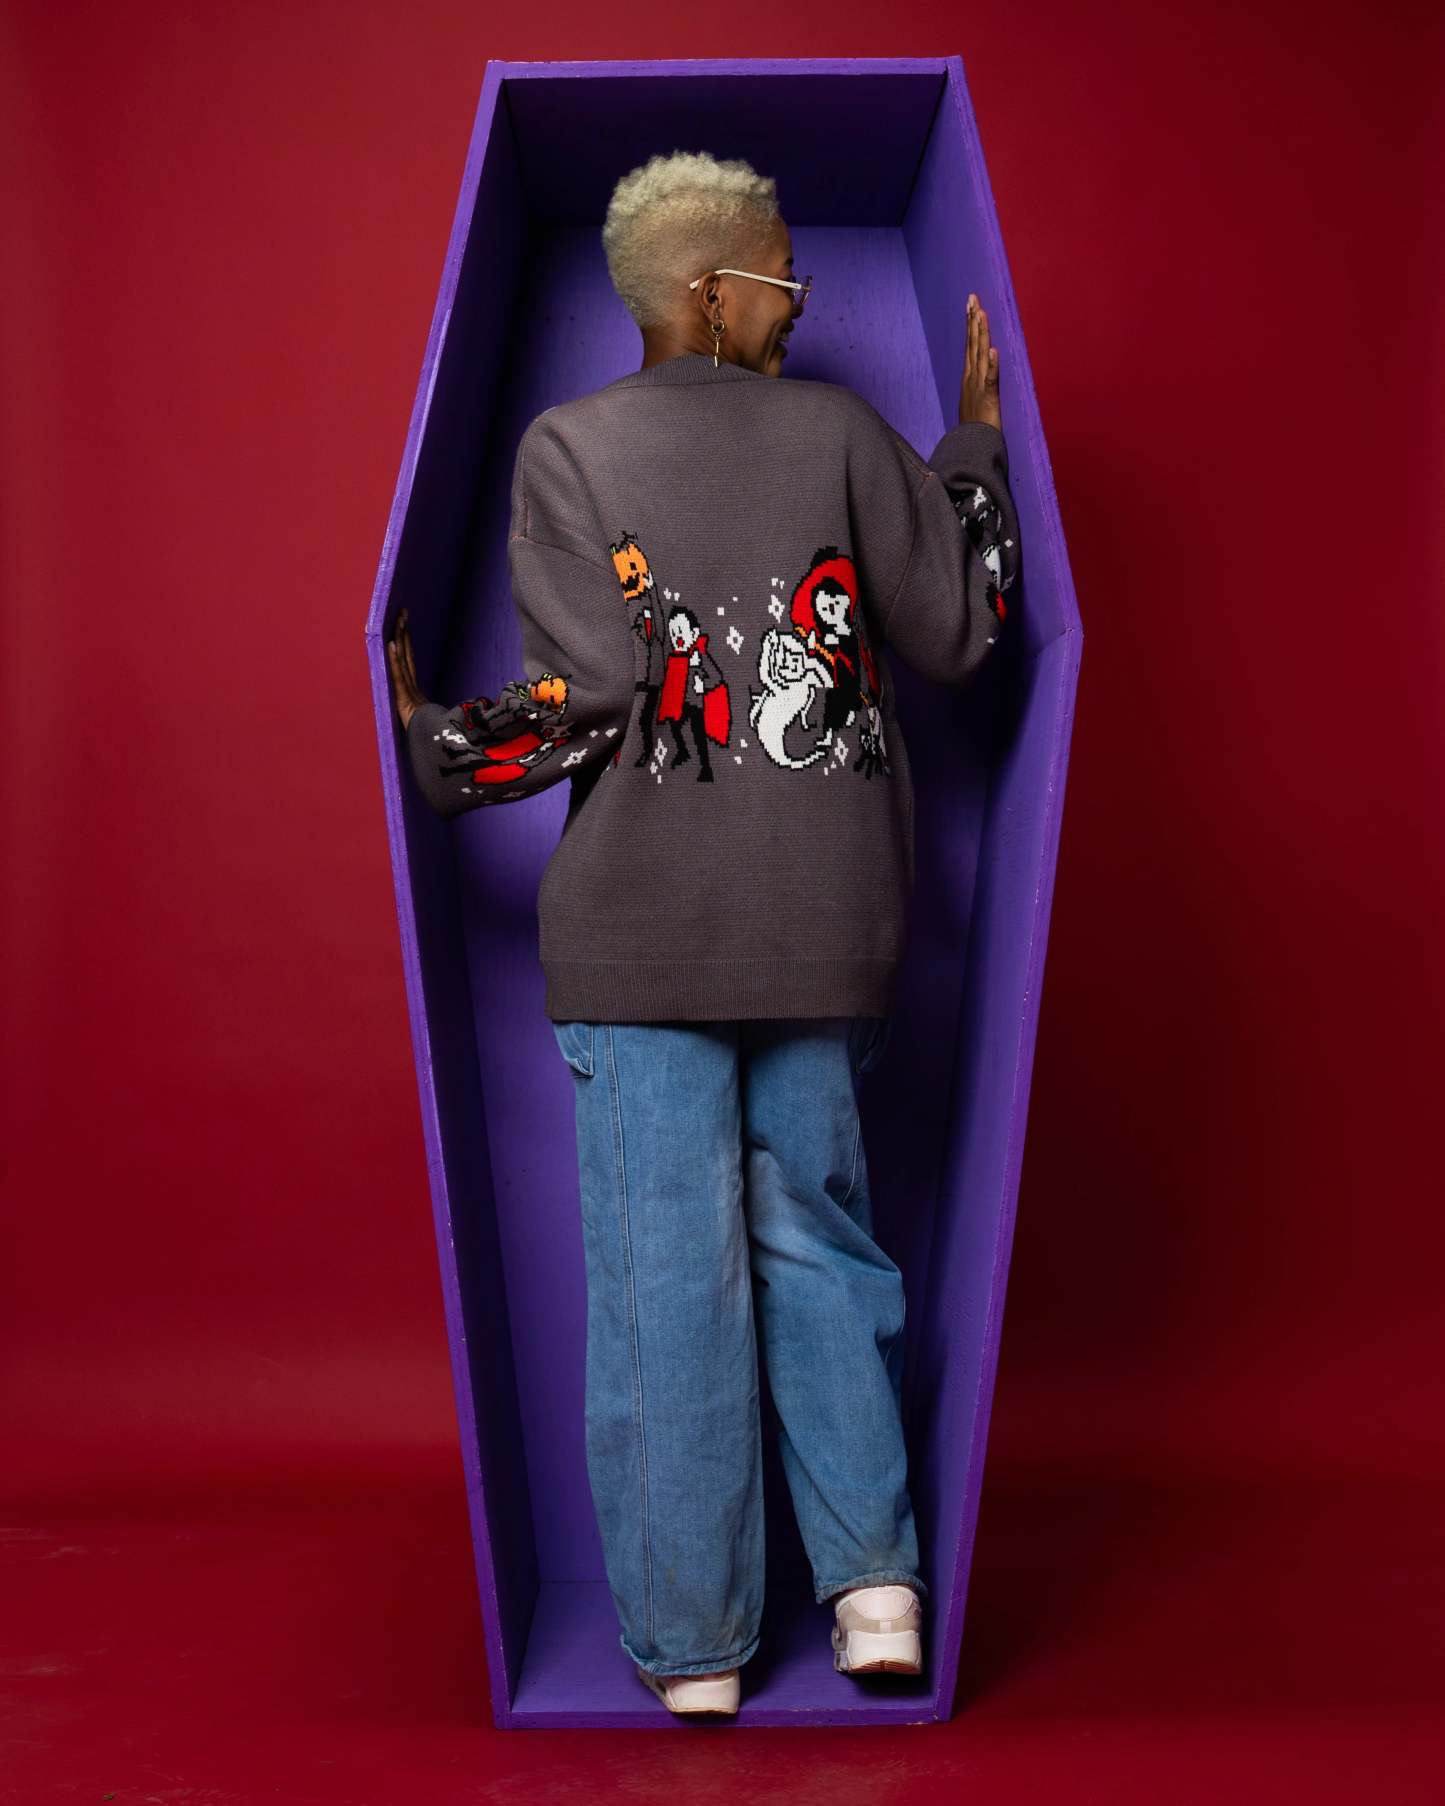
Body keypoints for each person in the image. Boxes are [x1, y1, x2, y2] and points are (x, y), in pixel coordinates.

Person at [387, 149, 1022, 1718]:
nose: (797, 307)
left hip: (644, 934)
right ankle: (875, 1591)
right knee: (823, 1248)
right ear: (710, 290)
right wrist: (971, 450)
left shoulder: (570, 445)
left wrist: (441, 742)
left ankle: (698, 1647)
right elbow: (959, 629)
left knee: (664, 1274)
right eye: (780, 280)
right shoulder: (845, 433)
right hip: (828, 922)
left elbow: (597, 695)